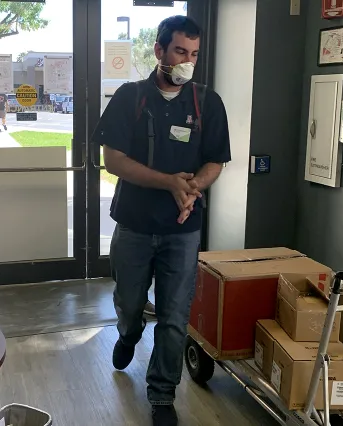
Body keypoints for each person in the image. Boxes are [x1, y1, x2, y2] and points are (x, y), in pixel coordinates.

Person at [92, 16, 231, 426]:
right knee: (131, 303)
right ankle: (128, 334)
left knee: (174, 316)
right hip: (135, 225)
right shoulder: (130, 98)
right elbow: (112, 160)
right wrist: (168, 182)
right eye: (180, 52)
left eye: (194, 55)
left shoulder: (207, 103)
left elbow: (214, 161)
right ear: (159, 51)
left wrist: (190, 190)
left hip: (182, 230)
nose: (187, 62)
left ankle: (162, 396)